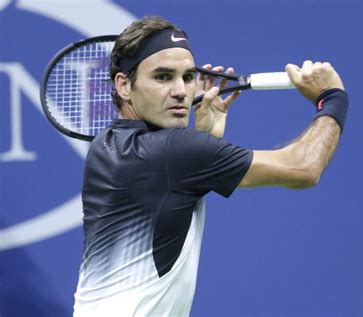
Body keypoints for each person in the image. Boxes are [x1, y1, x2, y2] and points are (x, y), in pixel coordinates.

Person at [73, 16, 348, 317]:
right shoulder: (175, 152)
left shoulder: (107, 144)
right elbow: (303, 168)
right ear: (124, 85)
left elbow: (171, 190)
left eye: (188, 77)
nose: (180, 91)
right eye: (163, 77)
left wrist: (204, 138)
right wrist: (331, 98)